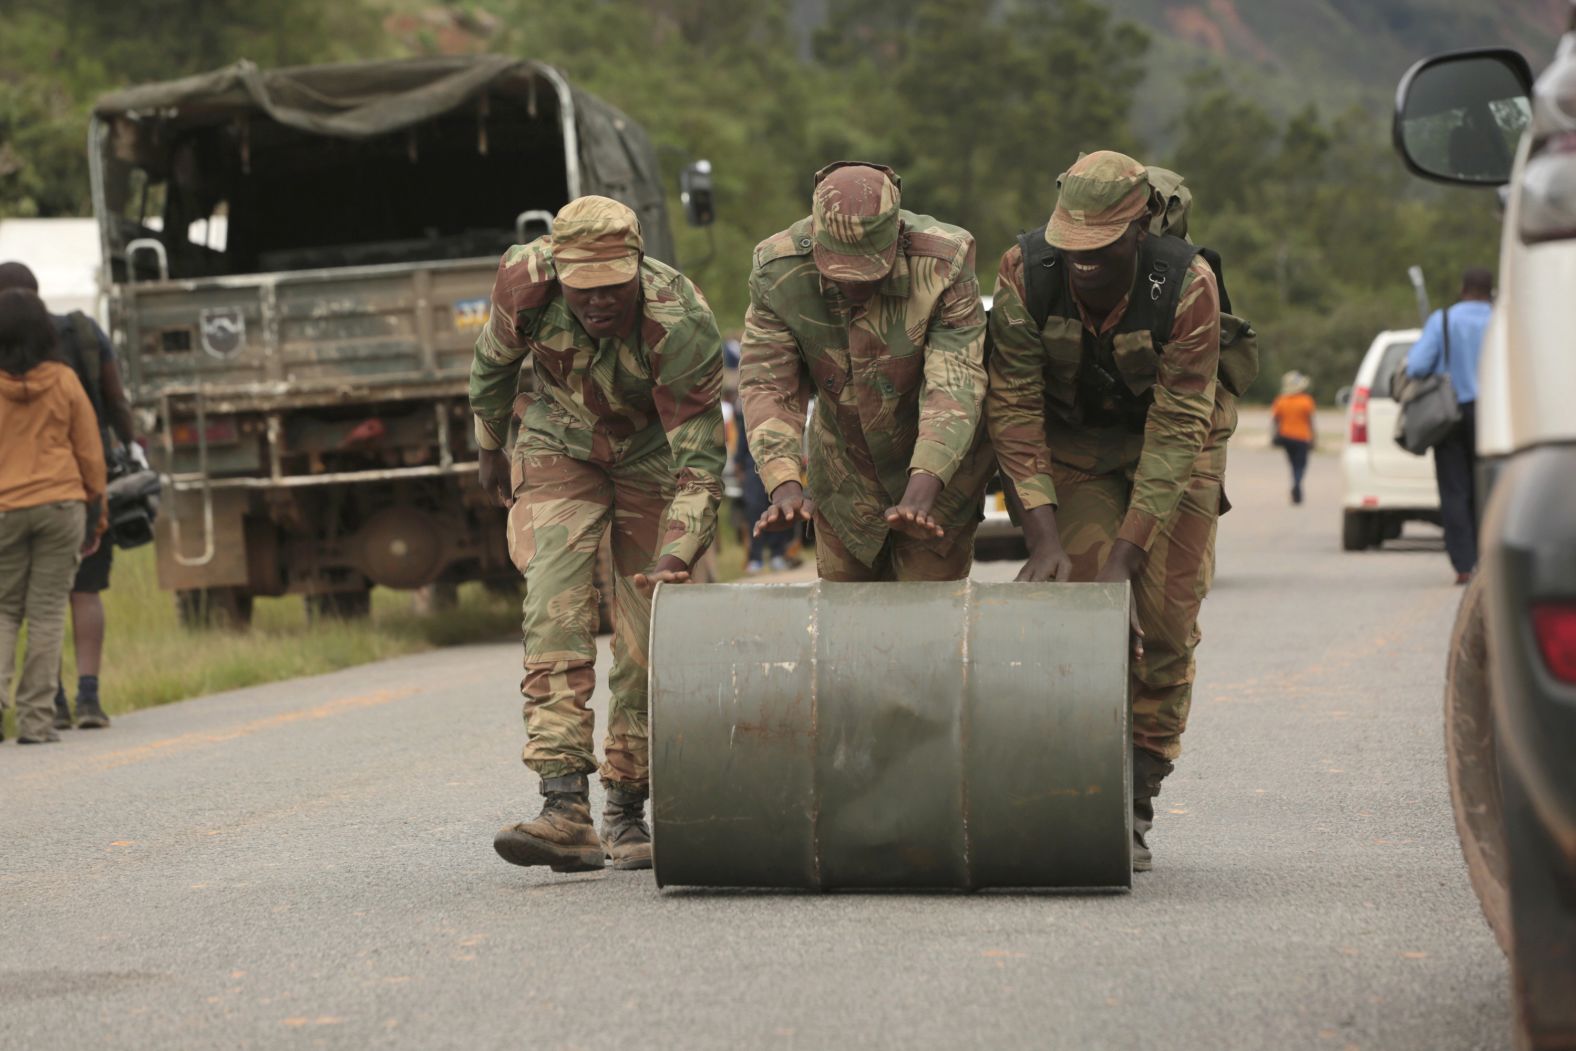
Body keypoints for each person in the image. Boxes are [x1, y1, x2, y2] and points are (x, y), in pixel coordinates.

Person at [986, 151, 1239, 871]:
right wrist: (1039, 532)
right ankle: (1069, 790)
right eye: (1071, 247)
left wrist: (1128, 560)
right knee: (1072, 615)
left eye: (1102, 248)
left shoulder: (1188, 283)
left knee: (1162, 622)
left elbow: (1180, 423)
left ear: (1138, 232)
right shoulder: (1025, 273)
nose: (1082, 263)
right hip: (1075, 444)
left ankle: (1134, 800)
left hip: (1176, 445)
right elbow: (1012, 403)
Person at [470, 196, 725, 873]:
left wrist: (679, 549)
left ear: (638, 266)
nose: (600, 303)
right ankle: (564, 808)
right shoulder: (524, 281)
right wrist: (490, 444)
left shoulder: (681, 318)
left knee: (648, 630)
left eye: (616, 286)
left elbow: (700, 461)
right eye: (585, 290)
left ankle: (625, 807)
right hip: (561, 439)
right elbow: (493, 364)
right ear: (560, 271)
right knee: (555, 604)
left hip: (652, 452)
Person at [739, 161, 994, 582]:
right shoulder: (777, 269)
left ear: (896, 236)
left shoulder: (945, 261)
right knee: (848, 632)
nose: (855, 285)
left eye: (868, 270)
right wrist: (784, 485)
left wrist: (924, 486)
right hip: (844, 480)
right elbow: (768, 385)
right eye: (840, 271)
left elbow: (956, 383)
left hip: (939, 481)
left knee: (927, 627)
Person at [0, 261, 135, 730]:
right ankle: (63, 708)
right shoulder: (66, 372)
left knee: (7, 610)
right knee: (64, 602)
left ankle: (20, 705)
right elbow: (93, 446)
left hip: (6, 506)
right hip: (65, 501)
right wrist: (97, 509)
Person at [1405, 267, 1492, 585]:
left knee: (1455, 490)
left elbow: (1416, 366)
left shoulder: (1443, 320)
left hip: (1452, 413)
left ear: (1463, 288)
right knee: (1491, 487)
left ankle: (1465, 565)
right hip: (1495, 415)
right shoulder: (1505, 319)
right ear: (1490, 291)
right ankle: (1491, 561)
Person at [1271, 370, 1316, 505]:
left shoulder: (1281, 400)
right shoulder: (1307, 401)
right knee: (1300, 465)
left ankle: (1295, 487)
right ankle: (1297, 484)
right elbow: (1310, 421)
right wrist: (1314, 438)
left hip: (1286, 437)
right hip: (1302, 438)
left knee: (1292, 463)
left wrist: (1274, 435)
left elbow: (1275, 420)